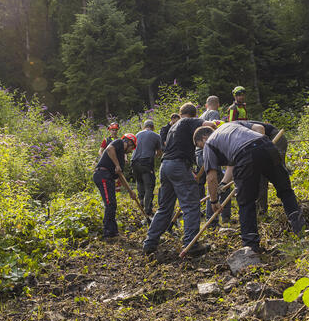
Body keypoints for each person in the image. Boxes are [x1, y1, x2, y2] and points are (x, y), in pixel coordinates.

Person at [194, 122, 303, 253]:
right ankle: (300, 228)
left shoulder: (209, 144)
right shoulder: (230, 126)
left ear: (204, 138)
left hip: (246, 154)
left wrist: (213, 201)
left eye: (200, 145)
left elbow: (211, 178)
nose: (202, 149)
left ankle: (251, 245)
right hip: (267, 146)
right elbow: (258, 129)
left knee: (246, 202)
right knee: (285, 189)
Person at [142, 103, 219, 256]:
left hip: (166, 167)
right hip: (178, 165)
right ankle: (191, 245)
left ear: (180, 112)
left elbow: (177, 149)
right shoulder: (189, 122)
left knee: (165, 208)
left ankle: (150, 242)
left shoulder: (173, 127)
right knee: (191, 205)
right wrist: (223, 125)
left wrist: (188, 170)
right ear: (194, 114)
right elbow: (210, 125)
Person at [93, 132, 137, 238]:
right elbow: (109, 149)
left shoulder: (120, 157)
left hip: (108, 178)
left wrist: (130, 192)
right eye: (132, 148)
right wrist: (117, 165)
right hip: (102, 175)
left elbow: (120, 176)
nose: (131, 151)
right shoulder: (119, 142)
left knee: (112, 204)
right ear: (129, 142)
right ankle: (108, 232)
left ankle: (113, 231)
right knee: (110, 204)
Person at [133, 120, 162, 218]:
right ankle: (147, 209)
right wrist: (155, 156)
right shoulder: (156, 136)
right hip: (146, 162)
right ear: (153, 127)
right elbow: (159, 152)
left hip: (134, 162)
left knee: (139, 181)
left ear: (144, 127)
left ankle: (141, 201)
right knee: (149, 185)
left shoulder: (137, 134)